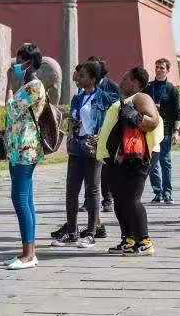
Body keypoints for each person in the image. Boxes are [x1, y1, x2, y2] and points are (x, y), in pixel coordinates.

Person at [97, 67, 162, 256]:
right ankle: (129, 239)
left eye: (125, 78)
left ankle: (145, 241)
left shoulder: (141, 97)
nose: (121, 81)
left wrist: (134, 116)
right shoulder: (124, 100)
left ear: (135, 83)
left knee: (132, 199)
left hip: (136, 157)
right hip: (117, 158)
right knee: (120, 199)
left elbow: (153, 121)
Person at [51, 61, 111, 248]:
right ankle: (71, 231)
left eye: (82, 75)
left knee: (92, 190)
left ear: (93, 79)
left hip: (93, 149)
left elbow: (110, 121)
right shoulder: (77, 98)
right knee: (71, 191)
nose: (78, 78)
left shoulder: (103, 98)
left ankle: (91, 233)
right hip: (76, 148)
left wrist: (102, 137)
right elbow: (73, 120)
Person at [4, 43, 47, 269]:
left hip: (25, 148)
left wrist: (9, 84)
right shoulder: (27, 85)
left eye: (18, 61)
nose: (15, 65)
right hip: (17, 148)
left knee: (20, 199)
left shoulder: (34, 86)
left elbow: (10, 109)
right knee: (26, 199)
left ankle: (29, 255)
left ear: (28, 63)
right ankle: (28, 251)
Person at [144, 58, 180, 204]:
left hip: (165, 130)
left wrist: (176, 131)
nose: (158, 70)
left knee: (165, 162)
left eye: (162, 68)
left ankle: (167, 193)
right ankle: (157, 192)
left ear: (168, 70)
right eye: (157, 67)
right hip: (150, 130)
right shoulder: (148, 87)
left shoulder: (172, 89)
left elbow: (177, 112)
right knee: (151, 163)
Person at [88, 56, 119, 212]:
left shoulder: (111, 86)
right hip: (90, 133)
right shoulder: (85, 87)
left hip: (106, 131)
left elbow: (118, 105)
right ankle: (89, 200)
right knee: (89, 168)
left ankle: (107, 199)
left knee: (105, 167)